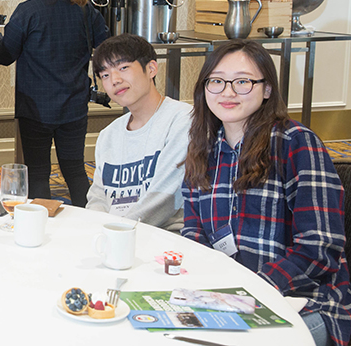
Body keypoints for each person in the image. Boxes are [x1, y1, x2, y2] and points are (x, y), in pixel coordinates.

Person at [181, 40, 349, 346]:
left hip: (303, 301)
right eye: (216, 81)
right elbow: (194, 230)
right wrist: (207, 285)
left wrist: (252, 289)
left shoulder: (295, 143)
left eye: (243, 82)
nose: (228, 92)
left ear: (267, 89)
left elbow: (320, 246)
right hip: (227, 298)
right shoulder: (204, 149)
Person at [0, 0, 108, 206]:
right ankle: (90, 221)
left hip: (36, 108)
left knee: (38, 173)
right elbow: (105, 44)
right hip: (74, 105)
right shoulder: (84, 9)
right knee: (74, 170)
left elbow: (4, 55)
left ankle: (42, 227)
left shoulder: (28, 10)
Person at [86, 34, 192, 230]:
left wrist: (118, 232)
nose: (114, 80)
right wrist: (97, 228)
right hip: (113, 237)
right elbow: (98, 196)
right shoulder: (108, 135)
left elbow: (165, 197)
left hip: (164, 239)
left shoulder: (182, 120)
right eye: (105, 75)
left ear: (151, 68)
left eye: (123, 68)